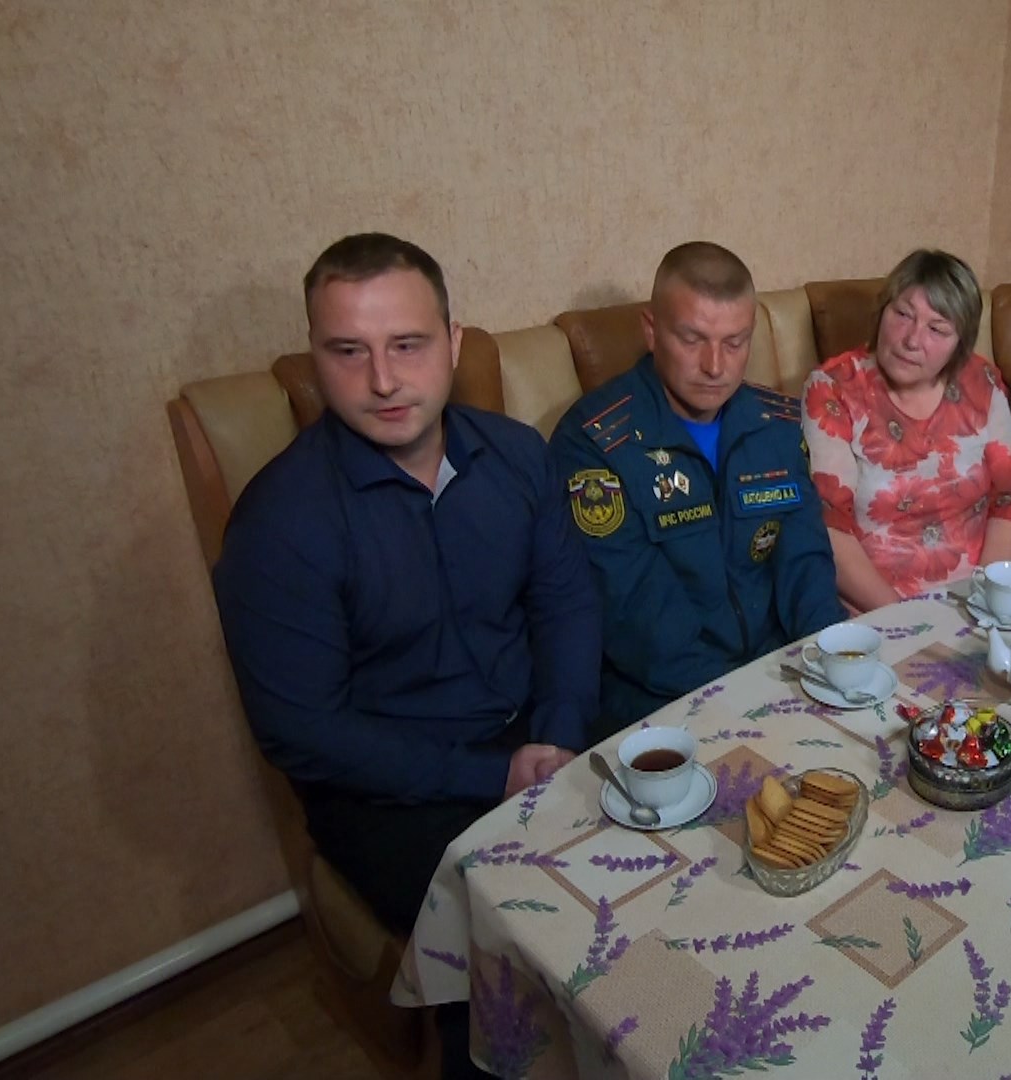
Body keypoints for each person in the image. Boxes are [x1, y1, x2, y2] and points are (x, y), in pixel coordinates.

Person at [214, 233, 601, 1078]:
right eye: (348, 351)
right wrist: (494, 776)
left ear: (453, 343)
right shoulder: (280, 523)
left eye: (408, 345)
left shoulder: (516, 455)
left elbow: (566, 604)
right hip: (391, 790)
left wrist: (560, 731)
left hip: (537, 728)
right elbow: (302, 731)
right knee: (517, 934)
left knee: (666, 841)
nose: (383, 380)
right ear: (315, 357)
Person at [551, 242, 843, 729]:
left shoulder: (776, 424)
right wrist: (750, 708)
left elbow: (806, 566)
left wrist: (832, 667)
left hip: (778, 675)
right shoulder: (595, 444)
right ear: (651, 330)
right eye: (692, 339)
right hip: (662, 701)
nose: (715, 366)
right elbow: (638, 618)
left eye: (735, 342)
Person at [802, 249, 1011, 608]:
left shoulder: (981, 381)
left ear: (960, 344)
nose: (911, 340)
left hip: (976, 601)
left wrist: (986, 605)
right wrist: (907, 622)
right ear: (882, 311)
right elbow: (829, 526)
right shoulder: (832, 389)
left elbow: (1008, 501)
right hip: (873, 606)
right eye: (903, 314)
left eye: (937, 329)